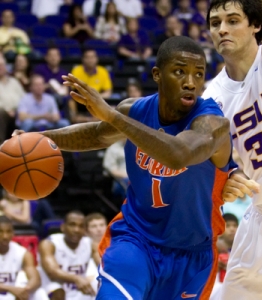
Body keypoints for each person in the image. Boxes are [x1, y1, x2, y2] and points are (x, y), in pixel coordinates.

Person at [21, 35, 235, 299]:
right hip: (136, 238)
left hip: (192, 252)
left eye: (198, 74)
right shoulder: (135, 110)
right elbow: (96, 134)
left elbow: (179, 154)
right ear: (157, 74)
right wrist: (42, 139)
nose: (190, 83)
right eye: (180, 72)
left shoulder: (213, 124)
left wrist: (112, 116)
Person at [202, 0, 262, 299]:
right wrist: (224, 179)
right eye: (215, 22)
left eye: (233, 20)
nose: (222, 29)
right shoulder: (211, 98)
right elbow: (206, 170)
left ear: (256, 25)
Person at [38, 210, 100, 300]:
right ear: (63, 227)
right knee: (58, 292)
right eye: (72, 225)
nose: (76, 230)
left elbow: (103, 266)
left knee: (101, 285)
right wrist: (76, 279)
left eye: (81, 226)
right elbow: (52, 272)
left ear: (85, 230)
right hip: (52, 287)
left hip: (79, 287)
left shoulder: (90, 244)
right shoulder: (49, 243)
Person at [0, 216, 41, 300]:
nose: (5, 236)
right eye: (0, 232)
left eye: (8, 231)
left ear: (13, 233)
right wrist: (11, 289)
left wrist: (26, 289)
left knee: (39, 293)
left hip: (15, 293)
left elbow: (35, 278)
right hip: (10, 291)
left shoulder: (23, 253)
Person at [0, 55, 25, 144]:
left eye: (2, 65)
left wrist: (18, 110)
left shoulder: (14, 81)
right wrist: (7, 111)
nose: (1, 68)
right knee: (1, 112)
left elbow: (24, 99)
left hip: (18, 113)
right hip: (3, 115)